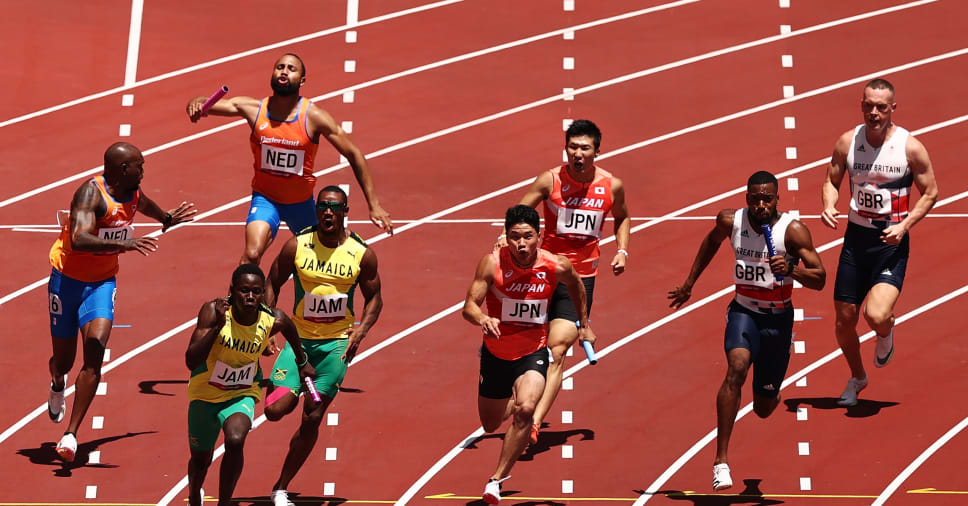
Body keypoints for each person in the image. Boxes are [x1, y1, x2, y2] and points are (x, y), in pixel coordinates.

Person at [668, 171, 825, 491]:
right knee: (735, 368)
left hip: (778, 320)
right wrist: (689, 284)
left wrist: (792, 269)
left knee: (764, 407)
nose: (761, 205)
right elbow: (710, 242)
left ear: (777, 199)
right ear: (746, 198)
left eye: (767, 198)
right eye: (755, 199)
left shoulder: (793, 232)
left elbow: (820, 278)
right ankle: (720, 462)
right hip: (744, 312)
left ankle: (771, 388)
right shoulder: (731, 221)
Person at [46, 142, 196, 461]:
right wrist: (126, 244)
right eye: (138, 166)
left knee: (95, 349)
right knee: (64, 360)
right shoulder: (90, 195)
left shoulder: (133, 192)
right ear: (120, 169)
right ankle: (58, 380)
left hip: (101, 283)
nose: (143, 170)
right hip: (67, 281)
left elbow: (143, 204)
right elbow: (80, 239)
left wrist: (166, 217)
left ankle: (71, 434)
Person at [186, 53, 392, 266]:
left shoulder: (314, 117)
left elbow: (354, 154)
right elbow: (203, 103)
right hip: (266, 199)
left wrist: (374, 204)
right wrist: (195, 104)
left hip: (301, 204)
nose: (284, 71)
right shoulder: (253, 109)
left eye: (291, 69)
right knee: (252, 254)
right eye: (280, 67)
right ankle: (235, 299)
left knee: (321, 260)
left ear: (302, 80)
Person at [495, 119, 629, 444]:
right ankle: (518, 397)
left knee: (558, 350)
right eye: (573, 147)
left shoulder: (611, 186)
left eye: (585, 148)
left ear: (597, 150)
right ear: (565, 148)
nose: (578, 154)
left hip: (580, 279)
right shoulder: (549, 180)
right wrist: (504, 236)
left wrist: (622, 250)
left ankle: (533, 422)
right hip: (541, 275)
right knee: (526, 347)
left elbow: (623, 216)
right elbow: (519, 211)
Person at [260, 186, 382, 506]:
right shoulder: (296, 246)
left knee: (312, 417)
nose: (328, 212)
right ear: (316, 211)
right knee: (274, 411)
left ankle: (281, 487)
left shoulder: (360, 253)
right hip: (297, 341)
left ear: (345, 211)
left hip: (336, 346)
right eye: (323, 207)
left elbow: (375, 299)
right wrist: (267, 325)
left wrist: (361, 331)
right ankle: (289, 381)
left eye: (334, 207)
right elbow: (272, 281)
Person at [821, 78, 939, 407]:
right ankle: (858, 377)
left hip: (890, 242)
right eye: (868, 105)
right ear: (861, 105)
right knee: (844, 319)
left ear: (892, 109)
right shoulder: (848, 142)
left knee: (875, 314)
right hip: (856, 241)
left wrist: (904, 226)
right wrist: (828, 204)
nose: (874, 112)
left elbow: (931, 192)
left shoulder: (909, 147)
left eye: (881, 107)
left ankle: (885, 332)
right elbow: (831, 179)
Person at [467, 205, 594, 504]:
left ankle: (496, 480)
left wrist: (584, 325)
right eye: (514, 237)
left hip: (532, 351)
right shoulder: (491, 264)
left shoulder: (556, 265)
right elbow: (469, 305)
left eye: (527, 236)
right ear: (506, 238)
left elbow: (577, 285)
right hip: (496, 353)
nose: (521, 244)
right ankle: (508, 400)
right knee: (490, 424)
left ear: (540, 237)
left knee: (526, 410)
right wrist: (482, 319)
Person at [184, 264, 312, 506]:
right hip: (204, 394)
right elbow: (191, 360)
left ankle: (224, 502)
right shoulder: (213, 311)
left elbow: (288, 326)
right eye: (244, 291)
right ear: (232, 291)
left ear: (263, 293)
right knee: (200, 461)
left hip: (242, 392)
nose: (251, 297)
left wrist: (302, 361)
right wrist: (218, 327)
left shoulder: (271, 318)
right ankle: (194, 494)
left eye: (256, 291)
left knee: (235, 438)